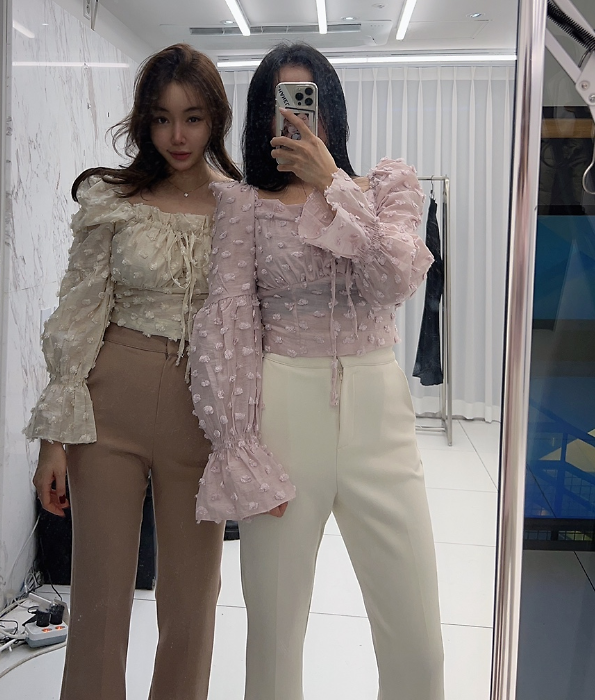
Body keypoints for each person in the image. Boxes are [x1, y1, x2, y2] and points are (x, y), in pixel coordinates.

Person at [189, 43, 444, 700]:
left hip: (378, 412)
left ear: (333, 108)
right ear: (264, 116)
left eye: (311, 101)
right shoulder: (243, 205)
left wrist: (334, 183)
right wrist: (237, 446)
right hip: (284, 411)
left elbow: (394, 281)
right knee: (274, 635)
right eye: (286, 104)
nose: (300, 118)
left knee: (417, 636)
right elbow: (229, 323)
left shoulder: (386, 189)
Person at [25, 44, 241, 700]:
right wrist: (53, 440)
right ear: (144, 122)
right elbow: (78, 312)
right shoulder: (114, 200)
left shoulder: (242, 207)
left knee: (193, 596)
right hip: (110, 402)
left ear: (215, 119)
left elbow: (252, 323)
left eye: (193, 118)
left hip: (200, 409)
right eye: (162, 118)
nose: (178, 136)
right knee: (99, 593)